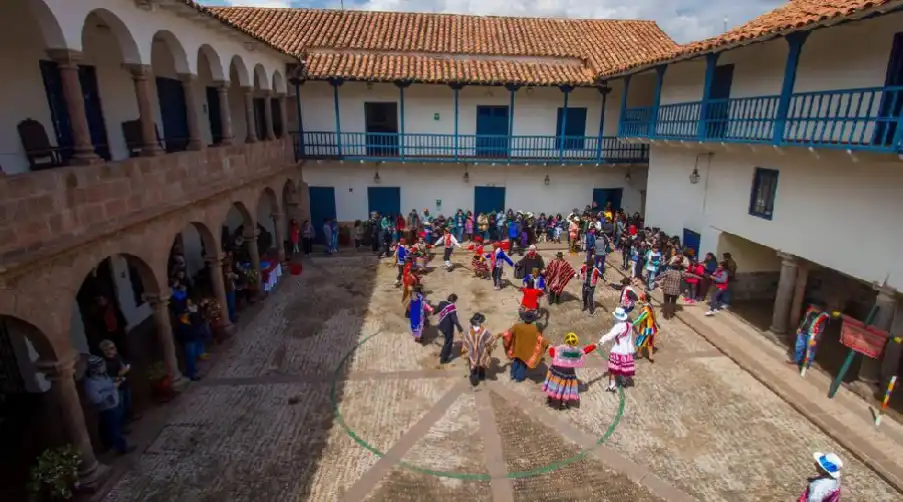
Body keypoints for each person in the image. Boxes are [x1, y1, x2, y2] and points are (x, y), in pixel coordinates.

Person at [84, 356, 134, 455]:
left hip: (114, 404)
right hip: (106, 408)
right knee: (114, 429)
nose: (104, 367)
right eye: (102, 366)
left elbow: (108, 382)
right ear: (95, 369)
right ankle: (122, 448)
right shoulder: (91, 383)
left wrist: (116, 380)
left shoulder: (103, 375)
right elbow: (96, 399)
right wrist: (111, 390)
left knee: (107, 427)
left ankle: (108, 445)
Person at [542, 332, 597, 410]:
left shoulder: (560, 348)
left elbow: (552, 354)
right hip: (567, 373)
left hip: (556, 370)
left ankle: (550, 399)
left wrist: (550, 347)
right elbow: (586, 350)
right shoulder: (576, 352)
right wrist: (594, 345)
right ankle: (559, 404)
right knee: (563, 388)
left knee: (554, 385)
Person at [99, 339, 139, 425]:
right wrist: (120, 374)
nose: (110, 351)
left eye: (112, 348)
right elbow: (109, 378)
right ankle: (122, 424)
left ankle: (129, 417)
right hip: (116, 387)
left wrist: (126, 369)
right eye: (107, 350)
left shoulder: (117, 356)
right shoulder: (104, 364)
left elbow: (122, 364)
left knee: (127, 401)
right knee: (120, 407)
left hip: (124, 384)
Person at [501, 313, 548, 382]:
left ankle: (512, 374)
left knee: (516, 361)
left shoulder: (517, 326)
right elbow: (540, 339)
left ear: (524, 319)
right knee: (523, 364)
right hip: (527, 351)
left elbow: (508, 333)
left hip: (517, 348)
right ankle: (519, 378)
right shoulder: (534, 329)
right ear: (532, 321)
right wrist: (547, 344)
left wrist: (501, 335)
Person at [599, 307, 636, 392]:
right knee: (623, 368)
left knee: (612, 369)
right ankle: (624, 382)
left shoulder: (618, 327)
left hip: (618, 350)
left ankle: (612, 386)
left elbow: (610, 335)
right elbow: (629, 338)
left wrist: (602, 340)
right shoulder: (629, 325)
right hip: (627, 350)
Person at [461, 313, 500, 386]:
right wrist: (495, 339)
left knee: (473, 366)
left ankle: (474, 381)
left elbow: (465, 342)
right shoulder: (484, 331)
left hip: (472, 352)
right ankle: (481, 376)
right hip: (482, 352)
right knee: (482, 364)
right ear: (480, 322)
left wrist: (466, 349)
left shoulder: (468, 332)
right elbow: (491, 340)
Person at [791, 304, 832, 369]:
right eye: (812, 307)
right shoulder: (809, 311)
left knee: (810, 351)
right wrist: (799, 328)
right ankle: (796, 360)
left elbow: (821, 329)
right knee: (799, 347)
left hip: (813, 336)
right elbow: (804, 320)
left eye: (815, 307)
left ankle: (806, 365)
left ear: (820, 309)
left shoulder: (824, 317)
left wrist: (815, 339)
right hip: (803, 332)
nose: (813, 308)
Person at [436, 294, 464, 364]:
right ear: (454, 300)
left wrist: (432, 312)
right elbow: (455, 320)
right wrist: (460, 329)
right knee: (448, 342)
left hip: (441, 325)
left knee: (446, 340)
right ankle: (444, 359)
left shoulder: (442, 303)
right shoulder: (452, 307)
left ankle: (442, 354)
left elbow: (437, 310)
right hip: (448, 327)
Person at [633, 296, 660, 362]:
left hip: (645, 328)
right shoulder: (650, 306)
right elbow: (654, 315)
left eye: (641, 299)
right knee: (650, 342)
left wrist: (632, 324)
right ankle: (650, 356)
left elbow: (640, 319)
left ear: (644, 300)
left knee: (639, 341)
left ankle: (639, 354)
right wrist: (656, 322)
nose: (640, 300)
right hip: (651, 327)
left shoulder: (645, 309)